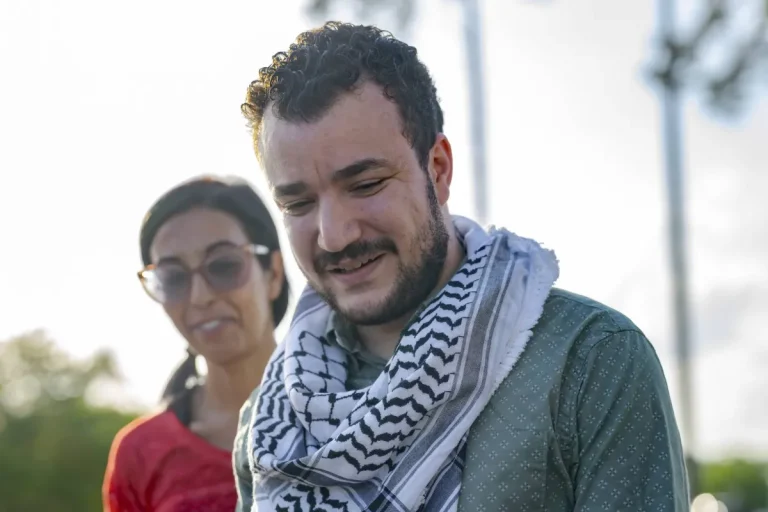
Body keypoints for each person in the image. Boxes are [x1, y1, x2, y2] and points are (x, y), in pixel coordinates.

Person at [234, 21, 690, 512]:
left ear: (438, 169)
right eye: (298, 203)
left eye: (365, 185)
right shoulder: (271, 420)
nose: (334, 236)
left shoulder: (588, 360)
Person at [102, 176, 289, 512]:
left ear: (273, 273)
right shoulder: (140, 453)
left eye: (224, 265)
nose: (199, 297)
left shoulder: (355, 409)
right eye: (174, 278)